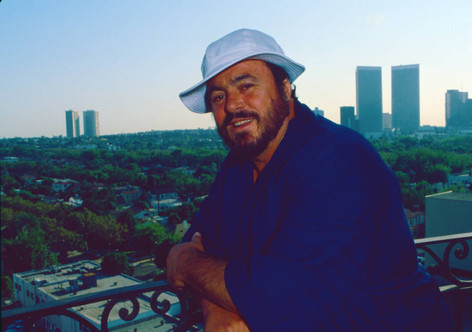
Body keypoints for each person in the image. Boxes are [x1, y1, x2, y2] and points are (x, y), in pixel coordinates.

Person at [167, 28, 451, 331]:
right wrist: (217, 310)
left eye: (247, 85)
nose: (233, 105)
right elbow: (201, 238)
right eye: (219, 96)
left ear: (286, 88)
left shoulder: (340, 161)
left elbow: (284, 300)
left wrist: (185, 264)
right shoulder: (238, 166)